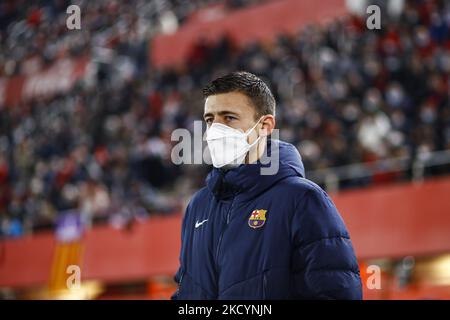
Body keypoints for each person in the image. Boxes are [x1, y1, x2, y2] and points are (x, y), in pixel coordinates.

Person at [171, 71, 362, 299]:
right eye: (210, 120)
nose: (214, 130)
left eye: (229, 118)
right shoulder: (198, 206)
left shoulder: (302, 199)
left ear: (265, 125)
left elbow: (336, 293)